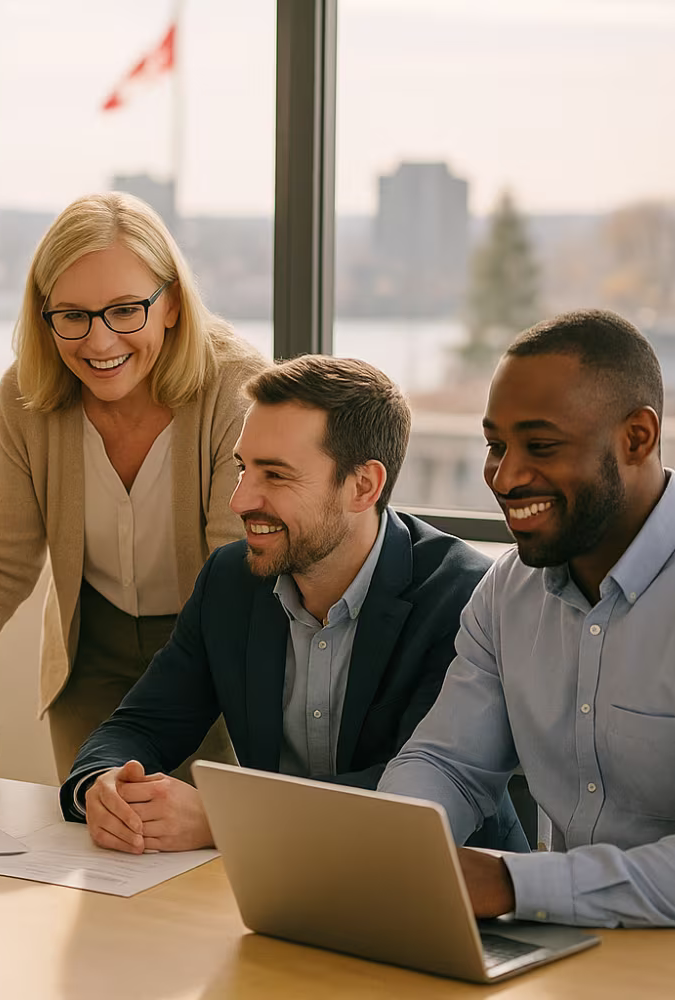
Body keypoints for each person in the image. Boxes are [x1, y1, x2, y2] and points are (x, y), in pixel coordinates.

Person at [379, 309, 675, 928]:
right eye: (495, 445)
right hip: (571, 954)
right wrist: (394, 854)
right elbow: (448, 765)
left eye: (540, 446)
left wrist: (512, 882)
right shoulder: (506, 592)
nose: (505, 476)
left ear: (637, 438)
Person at [58, 355, 525, 854]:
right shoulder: (229, 581)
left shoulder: (462, 596)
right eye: (243, 469)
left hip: (449, 884)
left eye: (275, 476)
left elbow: (417, 793)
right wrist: (104, 786)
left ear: (363, 486)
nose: (239, 500)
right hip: (281, 882)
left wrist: (228, 818)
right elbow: (142, 725)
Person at [0, 192, 265, 779]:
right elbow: (1, 563)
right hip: (89, 658)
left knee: (198, 854)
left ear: (172, 303)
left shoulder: (238, 388)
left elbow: (238, 574)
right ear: (43, 313)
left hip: (212, 647)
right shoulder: (24, 397)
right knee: (92, 843)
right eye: (73, 316)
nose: (100, 344)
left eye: (126, 310)